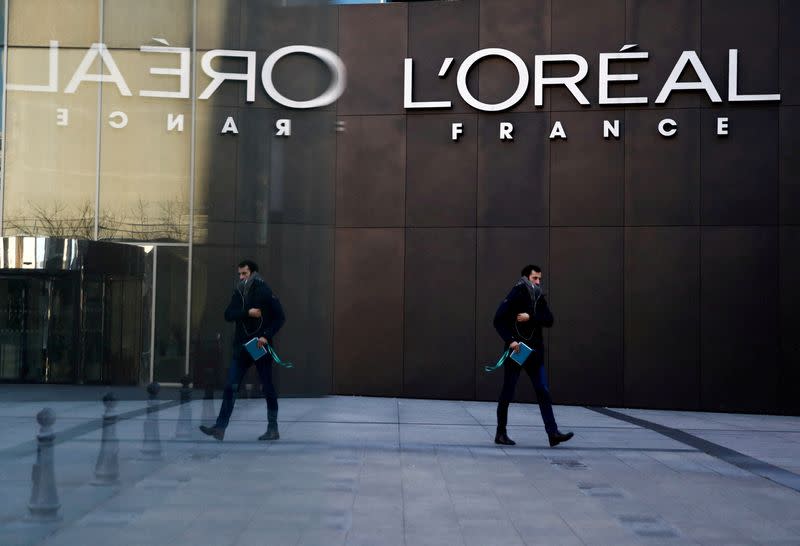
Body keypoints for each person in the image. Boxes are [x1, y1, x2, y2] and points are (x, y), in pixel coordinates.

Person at [200, 259, 285, 441]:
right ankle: (220, 428)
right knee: (231, 385)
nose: (241, 277)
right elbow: (228, 315)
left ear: (253, 273)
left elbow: (280, 317)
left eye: (244, 273)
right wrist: (247, 312)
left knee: (267, 386)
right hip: (242, 346)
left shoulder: (264, 290)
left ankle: (273, 428)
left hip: (258, 344)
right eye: (239, 274)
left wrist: (266, 336)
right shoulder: (238, 291)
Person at [492, 264, 573, 447]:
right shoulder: (516, 293)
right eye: (535, 278)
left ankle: (553, 434)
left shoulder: (539, 296)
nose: (538, 281)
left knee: (543, 390)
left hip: (535, 352)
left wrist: (531, 317)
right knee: (509, 390)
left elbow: (549, 320)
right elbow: (498, 319)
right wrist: (511, 340)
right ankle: (500, 433)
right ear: (525, 278)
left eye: (539, 278)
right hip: (519, 350)